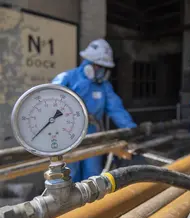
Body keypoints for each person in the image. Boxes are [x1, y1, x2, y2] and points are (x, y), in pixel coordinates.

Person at [52, 39, 137, 182]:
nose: (104, 72)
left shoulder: (104, 86)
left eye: (105, 68)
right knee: (66, 178)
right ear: (91, 65)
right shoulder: (66, 79)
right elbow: (50, 102)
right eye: (101, 67)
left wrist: (132, 131)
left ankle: (92, 205)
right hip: (66, 138)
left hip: (93, 138)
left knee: (93, 179)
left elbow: (117, 110)